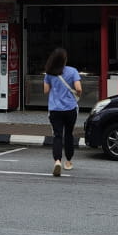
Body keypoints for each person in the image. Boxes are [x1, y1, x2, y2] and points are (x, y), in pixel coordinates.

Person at [43, 48, 82, 177]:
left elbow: (46, 91)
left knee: (57, 135)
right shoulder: (73, 71)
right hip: (70, 109)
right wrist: (76, 95)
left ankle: (57, 161)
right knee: (69, 134)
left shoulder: (49, 73)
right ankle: (68, 161)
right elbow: (78, 89)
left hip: (55, 109)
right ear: (64, 60)